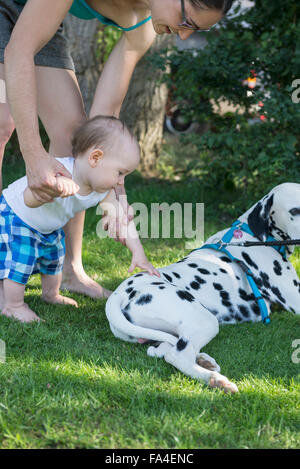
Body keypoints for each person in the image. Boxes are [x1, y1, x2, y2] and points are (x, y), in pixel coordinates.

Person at [0, 0, 233, 300]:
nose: (184, 36)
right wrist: (33, 155)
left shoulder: (141, 27)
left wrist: (116, 198)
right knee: (3, 122)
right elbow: (19, 49)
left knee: (77, 139)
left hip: (31, 8)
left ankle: (70, 270)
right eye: (187, 22)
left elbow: (102, 125)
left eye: (198, 30)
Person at [0, 115, 159, 323]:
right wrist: (55, 189)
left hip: (48, 227)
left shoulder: (104, 190)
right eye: (120, 173)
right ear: (95, 158)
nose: (121, 182)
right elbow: (28, 199)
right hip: (18, 218)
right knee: (21, 262)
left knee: (54, 259)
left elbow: (122, 219)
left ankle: (50, 294)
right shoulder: (59, 171)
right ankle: (13, 305)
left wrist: (138, 253)